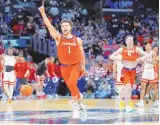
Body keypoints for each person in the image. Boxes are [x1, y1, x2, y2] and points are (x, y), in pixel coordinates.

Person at [39, 5, 86, 112]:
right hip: (63, 67)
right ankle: (79, 100)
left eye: (66, 26)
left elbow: (82, 54)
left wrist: (83, 67)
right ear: (61, 28)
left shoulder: (77, 39)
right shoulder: (58, 37)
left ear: (70, 27)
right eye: (63, 26)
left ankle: (74, 103)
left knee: (72, 83)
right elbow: (49, 25)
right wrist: (43, 13)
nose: (64, 27)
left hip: (75, 65)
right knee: (70, 85)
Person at [110, 35, 147, 112]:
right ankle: (127, 106)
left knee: (129, 89)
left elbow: (147, 55)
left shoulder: (137, 49)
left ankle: (122, 99)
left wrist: (141, 58)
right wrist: (118, 58)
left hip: (133, 71)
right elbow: (111, 56)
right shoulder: (121, 50)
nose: (130, 41)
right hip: (125, 70)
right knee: (128, 87)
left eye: (132, 40)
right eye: (129, 40)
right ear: (126, 41)